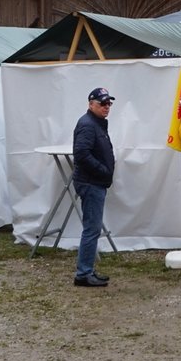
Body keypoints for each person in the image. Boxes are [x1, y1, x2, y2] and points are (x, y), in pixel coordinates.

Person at [71, 87, 115, 287]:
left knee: (92, 228)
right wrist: (102, 170)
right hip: (91, 182)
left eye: (109, 103)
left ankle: (86, 270)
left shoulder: (96, 123)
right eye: (102, 103)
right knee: (92, 229)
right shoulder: (88, 125)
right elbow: (81, 154)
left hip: (94, 181)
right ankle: (83, 273)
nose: (107, 107)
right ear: (91, 104)